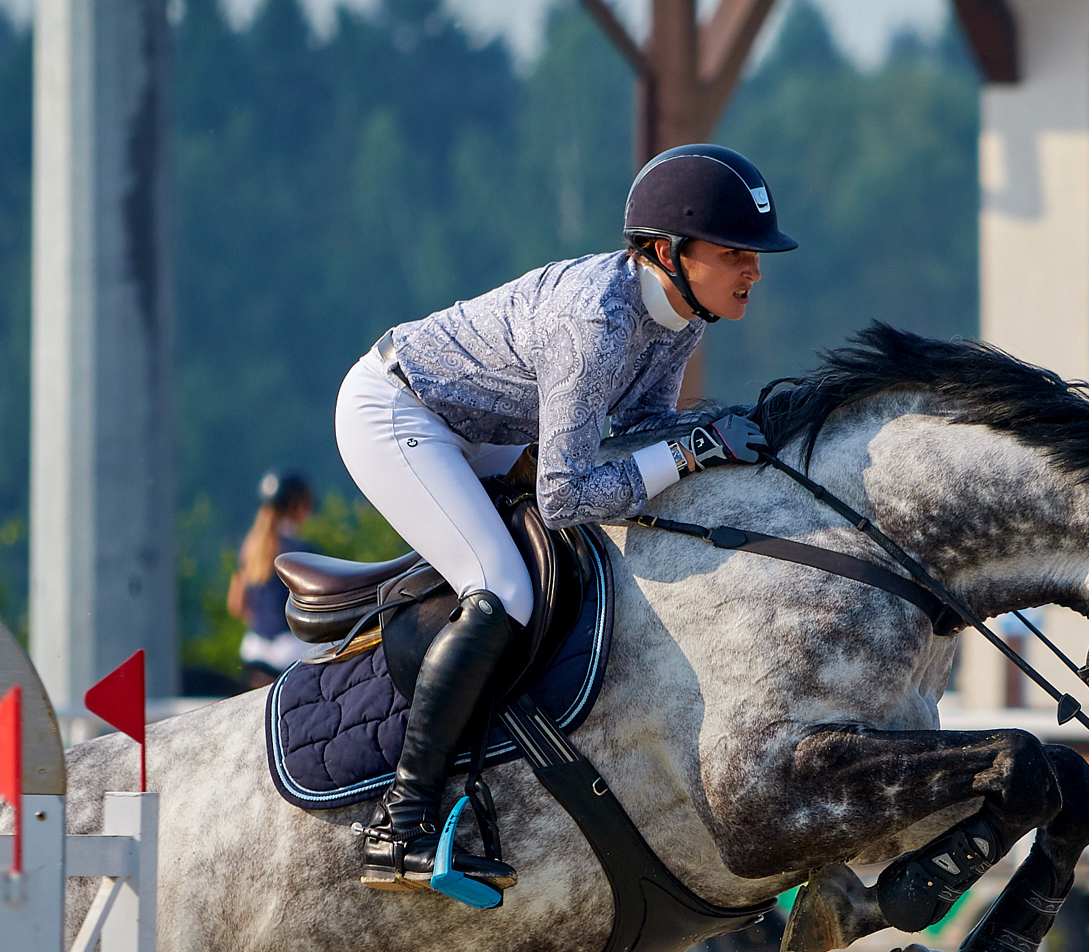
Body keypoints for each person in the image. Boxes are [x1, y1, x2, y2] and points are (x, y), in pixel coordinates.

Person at [336, 143, 797, 893]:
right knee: (504, 588)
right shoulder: (597, 322)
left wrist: (708, 442)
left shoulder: (684, 316)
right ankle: (401, 822)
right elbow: (569, 495)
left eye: (755, 254)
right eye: (734, 252)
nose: (753, 270)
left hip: (486, 427)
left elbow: (641, 430)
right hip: (400, 411)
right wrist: (694, 450)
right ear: (664, 251)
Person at [227, 470, 316, 689]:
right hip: (289, 652)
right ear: (297, 505)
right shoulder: (301, 551)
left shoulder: (248, 551)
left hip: (253, 650)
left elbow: (236, 605)